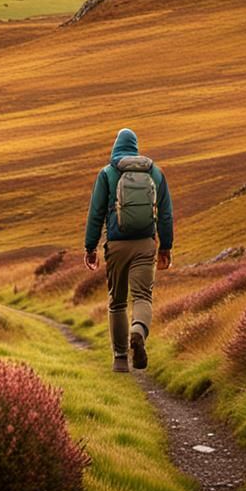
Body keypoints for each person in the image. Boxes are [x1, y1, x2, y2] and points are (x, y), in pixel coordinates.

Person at [83, 127, 173, 372]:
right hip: (145, 244)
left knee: (117, 302)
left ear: (115, 147)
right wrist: (166, 247)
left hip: (117, 245)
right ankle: (138, 331)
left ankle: (121, 359)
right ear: (135, 146)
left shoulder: (108, 173)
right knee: (143, 296)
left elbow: (95, 214)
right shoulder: (155, 173)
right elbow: (165, 215)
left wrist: (90, 247)